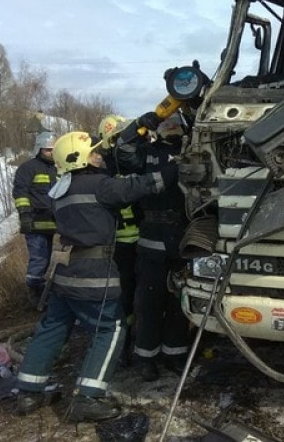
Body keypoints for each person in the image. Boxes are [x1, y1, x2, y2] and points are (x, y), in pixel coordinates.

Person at [15, 127, 176, 422]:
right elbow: (141, 186)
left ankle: (28, 390)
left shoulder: (61, 189)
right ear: (80, 159)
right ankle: (88, 397)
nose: (99, 155)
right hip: (94, 275)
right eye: (93, 152)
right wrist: (175, 165)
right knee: (111, 328)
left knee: (53, 326)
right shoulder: (99, 185)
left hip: (64, 273)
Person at [116, 110, 193, 382]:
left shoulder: (196, 148)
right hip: (152, 239)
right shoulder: (147, 153)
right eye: (166, 123)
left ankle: (175, 354)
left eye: (176, 123)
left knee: (179, 301)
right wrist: (137, 126)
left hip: (187, 238)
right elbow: (122, 151)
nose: (171, 126)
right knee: (148, 302)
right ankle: (145, 357)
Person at [97, 114, 140, 364]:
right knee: (122, 295)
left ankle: (132, 339)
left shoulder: (136, 162)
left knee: (138, 293)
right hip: (118, 245)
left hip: (141, 241)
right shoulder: (105, 171)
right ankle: (121, 345)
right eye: (119, 138)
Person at [12, 130, 58, 308]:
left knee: (49, 259)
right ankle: (35, 293)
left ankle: (47, 293)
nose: (51, 153)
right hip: (35, 223)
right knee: (39, 259)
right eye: (48, 150)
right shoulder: (28, 168)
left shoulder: (58, 168)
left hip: (54, 223)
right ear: (39, 149)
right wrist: (24, 215)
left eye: (53, 150)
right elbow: (20, 193)